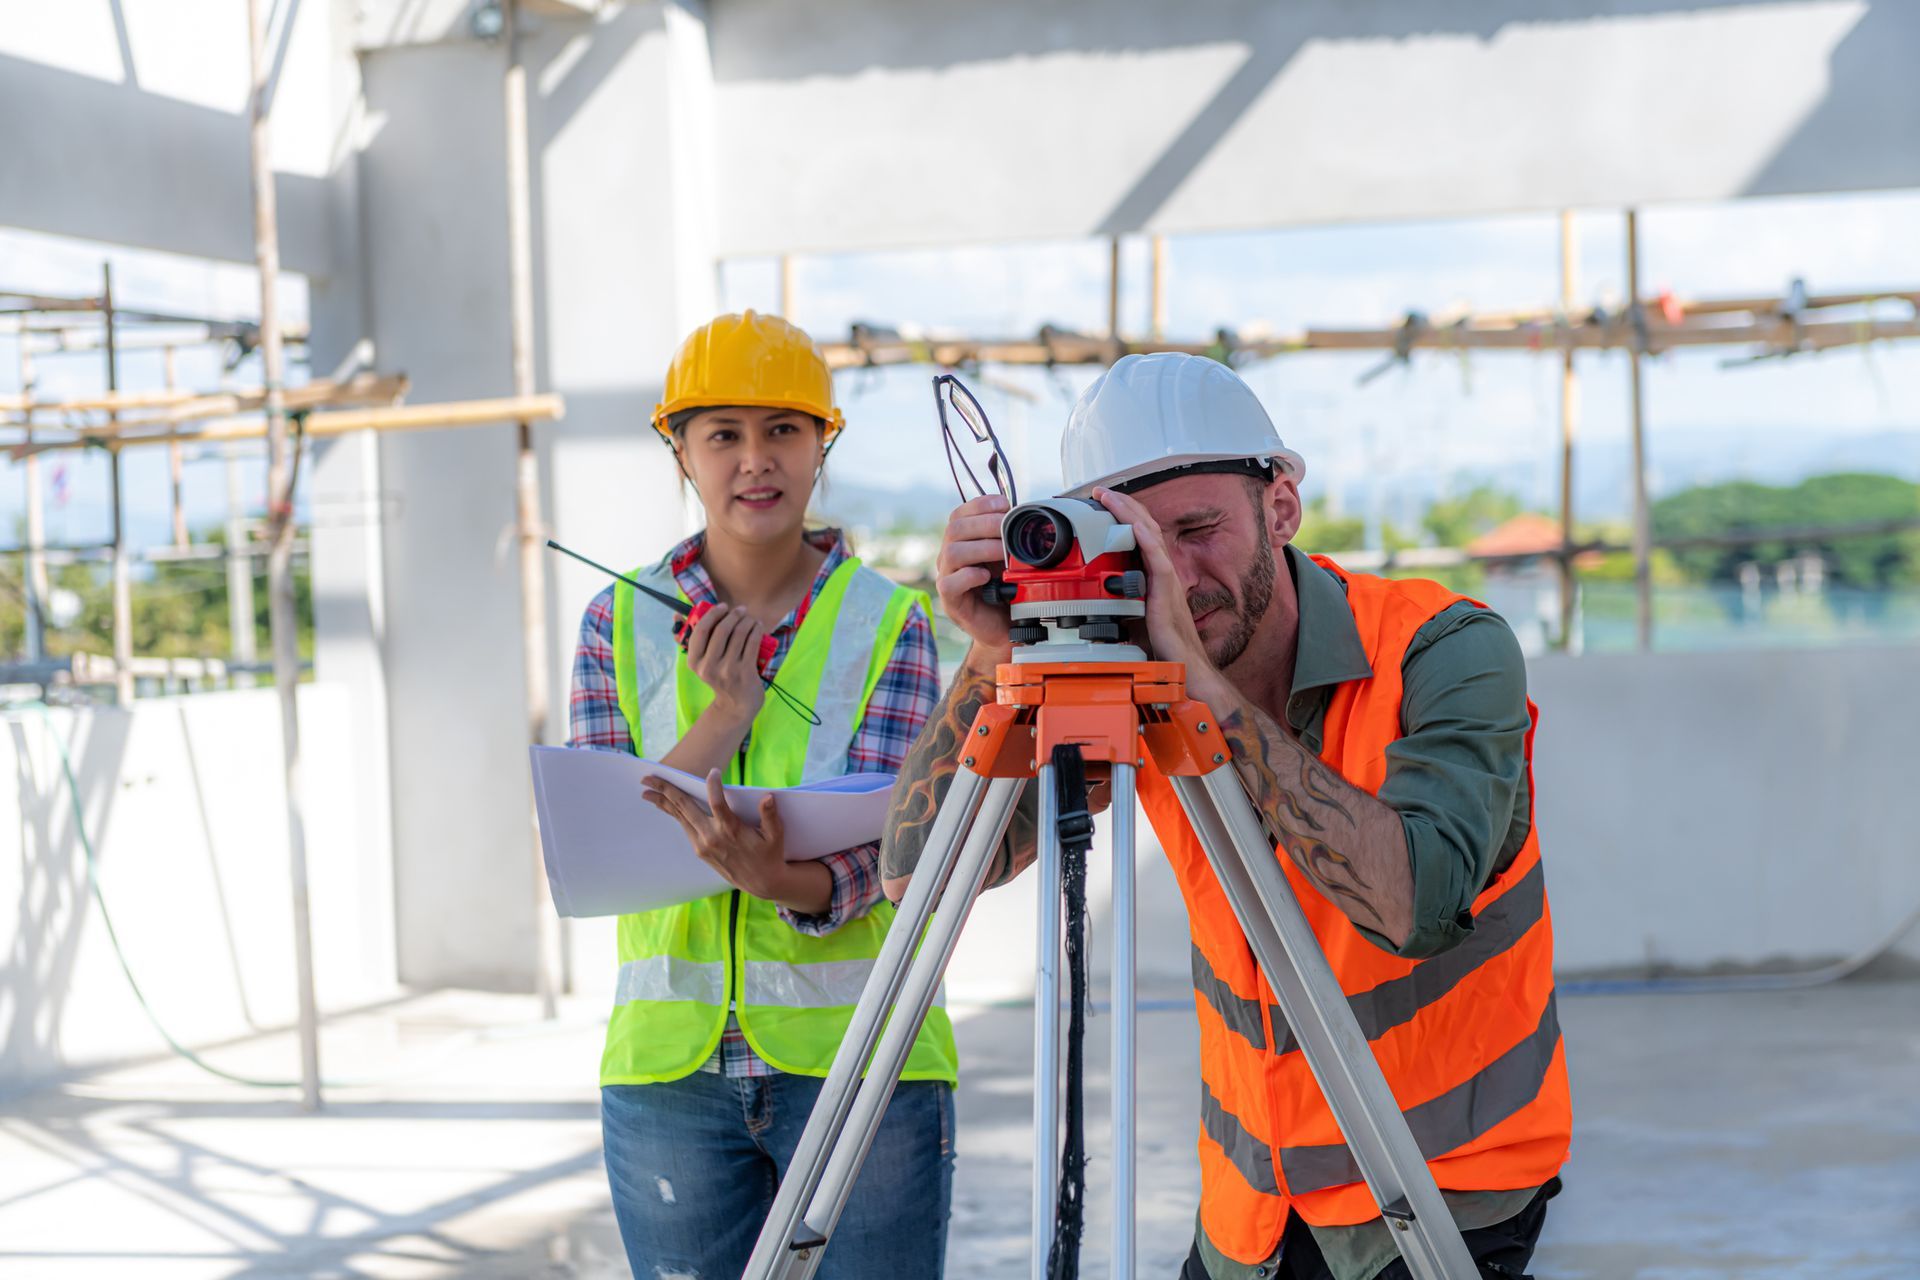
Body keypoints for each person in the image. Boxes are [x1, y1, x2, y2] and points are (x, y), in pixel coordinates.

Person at [882, 352, 1569, 1280]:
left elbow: (1417, 906)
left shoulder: (1443, 648)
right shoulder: (1126, 669)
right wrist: (994, 660)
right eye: (1140, 542)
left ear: (1280, 505)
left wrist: (1198, 692)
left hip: (1441, 1183)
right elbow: (914, 883)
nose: (1177, 572)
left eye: (1198, 529)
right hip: (1253, 1198)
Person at [568, 310, 955, 1278]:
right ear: (681, 453)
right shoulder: (612, 620)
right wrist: (725, 715)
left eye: (783, 429)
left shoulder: (889, 622)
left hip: (864, 1063)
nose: (755, 460)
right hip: (669, 1080)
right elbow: (602, 851)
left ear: (822, 446)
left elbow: (907, 845)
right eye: (723, 434)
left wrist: (787, 881)